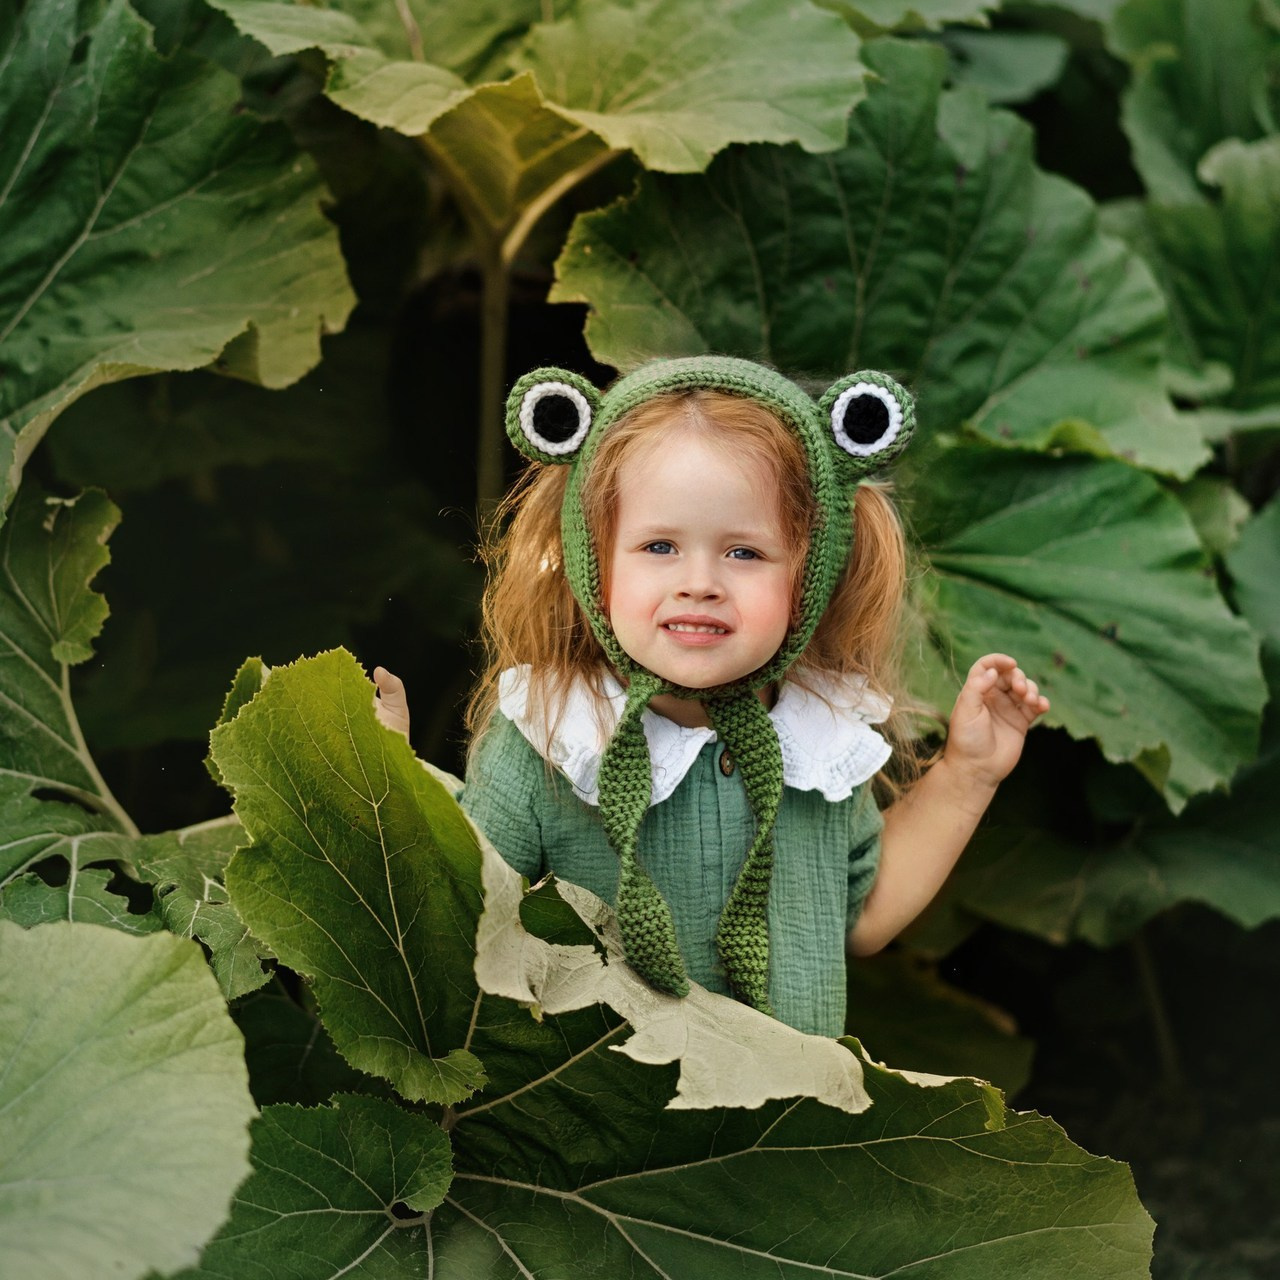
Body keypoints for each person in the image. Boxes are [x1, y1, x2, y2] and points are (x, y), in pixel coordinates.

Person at [375, 356, 1048, 1037]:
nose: (700, 582)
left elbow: (861, 916)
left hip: (784, 1131)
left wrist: (968, 773)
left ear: (809, 572)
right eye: (660, 546)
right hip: (608, 1128)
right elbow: (465, 911)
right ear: (594, 559)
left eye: (744, 554)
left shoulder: (813, 740)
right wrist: (386, 782)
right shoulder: (552, 738)